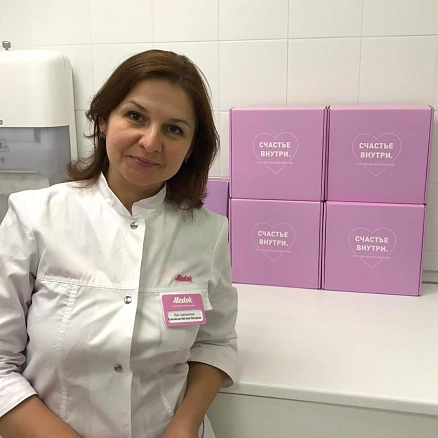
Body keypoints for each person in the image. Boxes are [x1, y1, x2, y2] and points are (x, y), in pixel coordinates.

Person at [0, 49, 237, 438]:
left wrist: (185, 422)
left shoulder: (208, 233)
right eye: (136, 116)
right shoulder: (34, 217)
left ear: (191, 149)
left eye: (173, 129)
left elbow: (216, 342)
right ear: (103, 120)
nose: (150, 141)